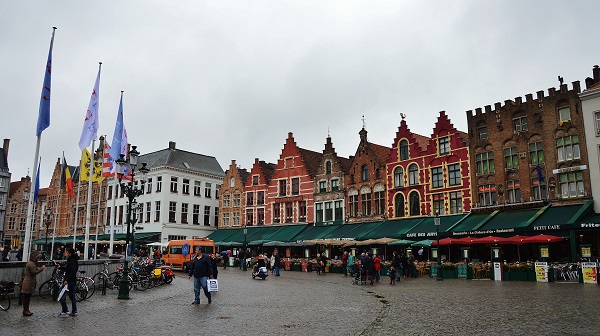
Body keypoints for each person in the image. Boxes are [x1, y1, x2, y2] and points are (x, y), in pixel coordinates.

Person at [21, 251, 46, 316]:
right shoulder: (31, 264)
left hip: (29, 282)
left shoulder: (30, 263)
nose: (38, 260)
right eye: (37, 258)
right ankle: (25, 310)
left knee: (27, 297)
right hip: (28, 282)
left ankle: (26, 309)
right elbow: (34, 272)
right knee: (26, 297)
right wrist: (42, 269)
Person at [59, 248, 79, 317]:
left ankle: (65, 310)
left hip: (69, 281)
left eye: (66, 252)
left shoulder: (72, 260)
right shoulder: (72, 260)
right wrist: (61, 267)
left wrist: (67, 280)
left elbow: (73, 271)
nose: (65, 253)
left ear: (70, 253)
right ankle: (74, 311)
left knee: (61, 295)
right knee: (72, 296)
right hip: (72, 280)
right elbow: (68, 269)